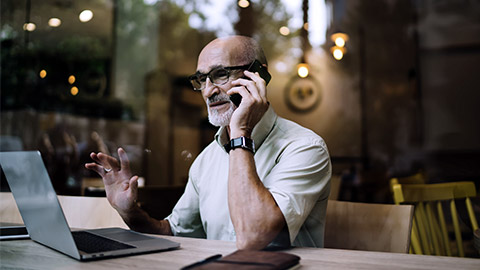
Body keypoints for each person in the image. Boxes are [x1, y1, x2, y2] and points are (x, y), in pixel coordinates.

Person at [85, 35, 331, 250]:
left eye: (220, 74)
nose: (208, 91)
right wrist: (131, 212)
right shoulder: (207, 158)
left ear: (257, 75)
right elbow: (171, 233)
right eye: (202, 80)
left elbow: (254, 238)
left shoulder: (305, 147)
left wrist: (240, 133)